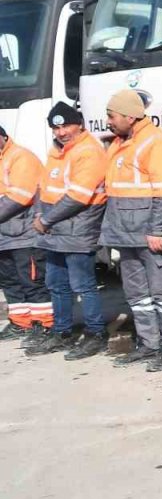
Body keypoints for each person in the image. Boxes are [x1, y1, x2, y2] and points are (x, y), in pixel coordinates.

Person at [102, 90, 162, 372]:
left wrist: (156, 230)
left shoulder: (158, 143)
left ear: (129, 116)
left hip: (152, 235)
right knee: (138, 295)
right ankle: (149, 344)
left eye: (112, 116)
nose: (108, 121)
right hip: (127, 234)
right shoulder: (119, 143)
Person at [28, 103, 110, 359]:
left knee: (83, 284)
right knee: (56, 284)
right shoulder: (57, 152)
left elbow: (78, 196)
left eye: (66, 126)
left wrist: (46, 219)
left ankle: (96, 333)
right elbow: (44, 185)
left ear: (80, 124)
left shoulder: (89, 151)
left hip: (78, 228)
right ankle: (62, 331)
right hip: (55, 229)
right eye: (56, 127)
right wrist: (41, 214)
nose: (61, 132)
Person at [0, 126, 53, 347]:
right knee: (10, 281)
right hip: (5, 236)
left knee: (32, 281)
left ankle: (45, 324)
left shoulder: (21, 157)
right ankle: (21, 322)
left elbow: (18, 197)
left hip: (24, 235)